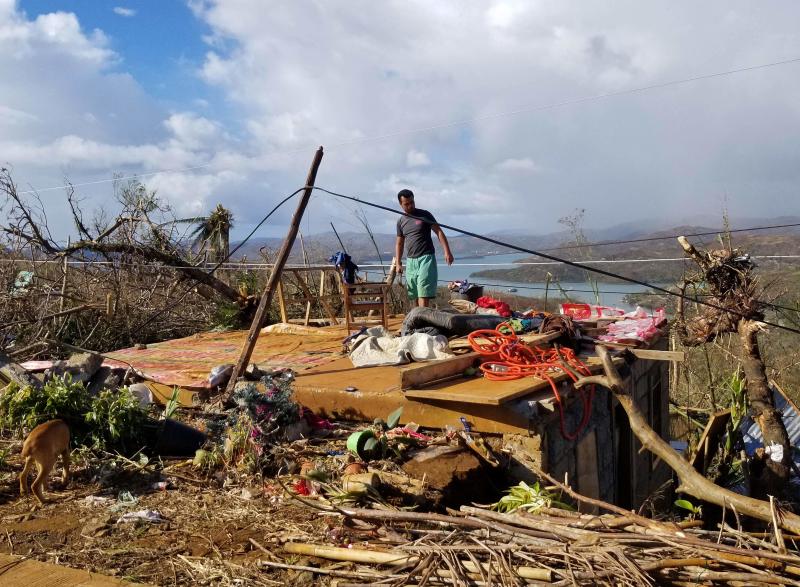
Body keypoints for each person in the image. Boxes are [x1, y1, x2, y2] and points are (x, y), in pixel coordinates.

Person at [395, 188, 454, 307]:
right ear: (401, 204)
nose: (410, 205)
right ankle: (416, 320)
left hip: (426, 258)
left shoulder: (424, 215)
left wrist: (447, 252)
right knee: (413, 293)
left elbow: (439, 232)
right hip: (411, 261)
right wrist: (398, 263)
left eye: (412, 202)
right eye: (407, 204)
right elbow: (399, 243)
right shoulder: (401, 221)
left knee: (423, 291)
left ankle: (423, 321)